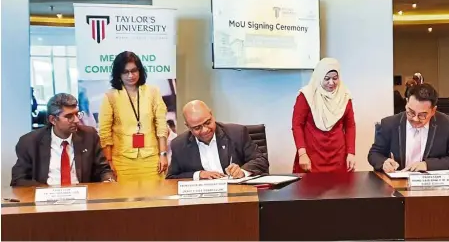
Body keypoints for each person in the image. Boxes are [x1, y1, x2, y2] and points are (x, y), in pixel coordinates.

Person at [11, 93, 114, 187]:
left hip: (83, 199)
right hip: (46, 200)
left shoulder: (89, 136)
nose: (77, 120)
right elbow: (19, 179)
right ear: (53, 120)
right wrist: (46, 192)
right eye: (69, 116)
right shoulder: (30, 142)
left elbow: (103, 169)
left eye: (77, 114)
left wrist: (108, 180)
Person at [99, 51, 169, 182]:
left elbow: (161, 126)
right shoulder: (110, 96)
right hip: (122, 161)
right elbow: (105, 133)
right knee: (126, 200)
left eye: (134, 70)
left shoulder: (153, 92)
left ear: (140, 70)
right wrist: (108, 163)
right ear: (118, 74)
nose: (130, 76)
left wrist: (163, 154)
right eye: (125, 72)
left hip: (152, 159)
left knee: (154, 200)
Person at [368, 83, 449, 172]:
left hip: (432, 186)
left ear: (433, 111)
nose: (415, 119)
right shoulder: (389, 124)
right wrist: (384, 162)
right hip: (396, 184)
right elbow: (374, 154)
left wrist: (427, 165)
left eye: (422, 115)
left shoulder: (447, 124)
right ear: (406, 103)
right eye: (411, 112)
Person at [166, 100, 269, 180]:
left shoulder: (237, 133)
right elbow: (171, 177)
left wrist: (242, 171)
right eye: (197, 128)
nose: (205, 130)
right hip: (201, 200)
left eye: (207, 122)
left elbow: (261, 160)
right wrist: (199, 175)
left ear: (211, 115)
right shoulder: (179, 144)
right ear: (188, 126)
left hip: (237, 194)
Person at [291, 58, 356, 173]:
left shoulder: (345, 96)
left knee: (340, 190)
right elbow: (297, 125)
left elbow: (350, 125)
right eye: (327, 78)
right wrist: (302, 153)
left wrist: (351, 152)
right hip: (311, 156)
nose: (331, 83)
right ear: (320, 76)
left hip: (338, 157)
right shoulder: (307, 95)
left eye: (335, 78)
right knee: (309, 189)